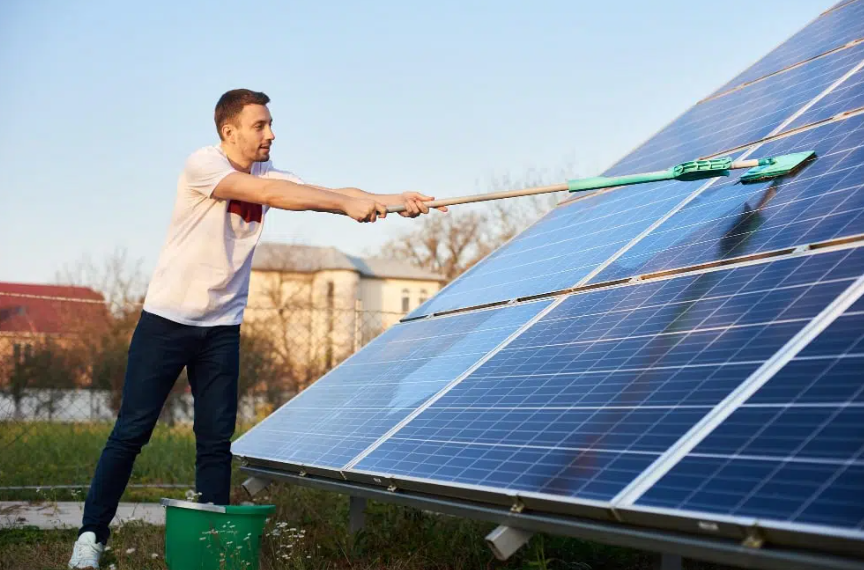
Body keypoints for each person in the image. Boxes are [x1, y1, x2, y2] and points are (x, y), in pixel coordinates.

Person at [68, 88, 444, 569]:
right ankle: (90, 538)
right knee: (131, 432)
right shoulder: (203, 166)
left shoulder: (269, 171)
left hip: (221, 328)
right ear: (230, 132)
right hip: (167, 321)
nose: (271, 133)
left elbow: (326, 191)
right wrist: (344, 206)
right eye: (260, 125)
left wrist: (391, 200)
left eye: (270, 124)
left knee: (215, 440)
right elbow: (276, 196)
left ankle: (208, 545)